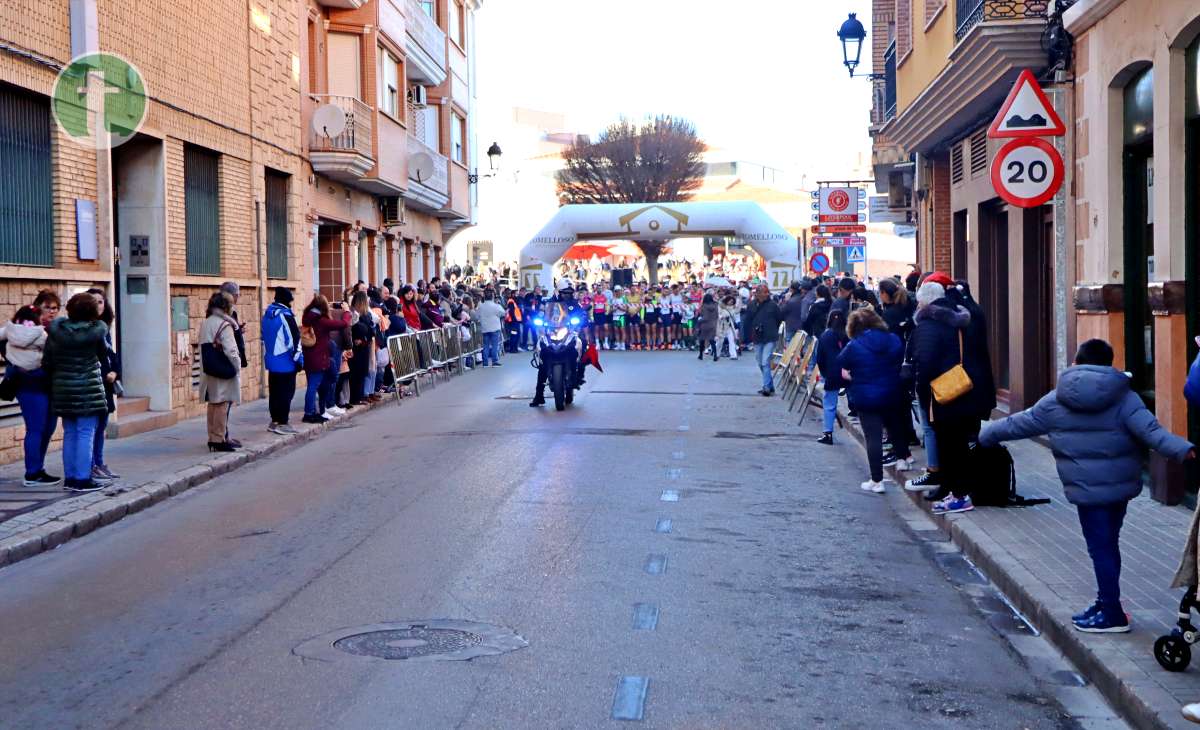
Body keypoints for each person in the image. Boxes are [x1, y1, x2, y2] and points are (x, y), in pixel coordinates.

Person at [981, 339, 1193, 633]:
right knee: (1108, 544)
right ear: (1110, 364)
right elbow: (1152, 432)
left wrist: (985, 436)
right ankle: (1106, 602)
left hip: (1086, 489)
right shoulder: (1125, 397)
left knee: (1101, 548)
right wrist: (1185, 450)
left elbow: (1019, 423)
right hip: (1119, 488)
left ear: (1077, 363)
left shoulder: (1057, 399)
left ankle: (1112, 613)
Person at [909, 279, 995, 514]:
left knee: (950, 445)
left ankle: (959, 495)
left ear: (923, 301)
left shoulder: (929, 324)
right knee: (957, 444)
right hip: (961, 387)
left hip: (940, 392)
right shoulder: (960, 319)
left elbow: (925, 361)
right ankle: (955, 492)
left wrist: (918, 385)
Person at [836, 308, 911, 492]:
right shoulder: (893, 339)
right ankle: (903, 459)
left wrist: (850, 376)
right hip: (892, 391)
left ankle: (877, 480)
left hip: (865, 395)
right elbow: (899, 357)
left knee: (873, 437)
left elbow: (840, 364)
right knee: (895, 427)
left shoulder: (855, 345)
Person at [43, 293, 109, 491]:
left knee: (70, 433)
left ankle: (71, 478)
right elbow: (103, 356)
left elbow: (47, 362)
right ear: (91, 312)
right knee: (86, 433)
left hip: (63, 389)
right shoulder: (96, 333)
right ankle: (82, 479)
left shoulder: (56, 333)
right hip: (88, 390)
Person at [2, 305, 60, 486]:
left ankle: (36, 469)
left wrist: (11, 360)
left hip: (26, 385)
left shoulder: (9, 331)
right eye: (48, 308)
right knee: (39, 429)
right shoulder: (41, 334)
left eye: (55, 308)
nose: (51, 312)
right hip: (38, 384)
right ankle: (33, 473)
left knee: (38, 429)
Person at [198, 292, 241, 453]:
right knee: (222, 403)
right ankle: (219, 438)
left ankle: (212, 437)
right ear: (225, 307)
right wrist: (236, 366)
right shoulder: (224, 324)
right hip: (223, 368)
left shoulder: (207, 322)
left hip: (209, 367)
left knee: (213, 403)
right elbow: (231, 350)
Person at [85, 288, 120, 483]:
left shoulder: (104, 328)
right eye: (94, 301)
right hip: (94, 384)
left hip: (107, 384)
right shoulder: (87, 328)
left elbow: (111, 355)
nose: (98, 305)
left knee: (102, 426)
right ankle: (90, 465)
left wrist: (115, 371)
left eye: (101, 301)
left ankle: (99, 462)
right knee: (93, 428)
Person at [300, 294, 350, 424]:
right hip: (320, 358)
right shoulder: (321, 321)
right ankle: (309, 413)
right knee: (315, 385)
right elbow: (343, 324)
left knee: (319, 383)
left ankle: (320, 410)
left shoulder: (308, 317)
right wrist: (346, 312)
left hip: (310, 357)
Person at [262, 286, 302, 435]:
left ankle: (274, 421)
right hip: (286, 361)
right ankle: (283, 422)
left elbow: (263, 337)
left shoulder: (267, 315)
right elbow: (294, 340)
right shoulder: (286, 316)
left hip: (272, 360)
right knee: (286, 392)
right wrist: (299, 360)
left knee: (275, 392)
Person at [815, 308, 849, 446]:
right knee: (854, 399)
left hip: (832, 373)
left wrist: (825, 373)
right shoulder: (848, 334)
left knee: (829, 403)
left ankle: (827, 433)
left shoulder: (825, 336)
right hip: (849, 371)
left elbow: (820, 358)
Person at [743, 284, 782, 396]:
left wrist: (772, 328)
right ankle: (770, 385)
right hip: (757, 337)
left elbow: (779, 318)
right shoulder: (751, 305)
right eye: (764, 292)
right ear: (758, 293)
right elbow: (748, 320)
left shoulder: (773, 305)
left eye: (767, 292)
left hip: (770, 337)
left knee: (765, 361)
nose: (766, 294)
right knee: (760, 362)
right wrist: (746, 337)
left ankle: (766, 387)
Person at [476, 291, 505, 367]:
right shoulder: (496, 306)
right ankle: (494, 361)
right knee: (495, 345)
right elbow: (503, 313)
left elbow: (476, 316)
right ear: (492, 297)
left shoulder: (481, 306)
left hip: (485, 328)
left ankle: (485, 363)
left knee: (485, 346)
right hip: (495, 328)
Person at [696, 293, 719, 361]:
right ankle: (715, 355)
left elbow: (705, 317)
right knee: (712, 341)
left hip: (705, 325)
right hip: (713, 324)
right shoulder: (715, 305)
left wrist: (699, 321)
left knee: (702, 340)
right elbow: (717, 316)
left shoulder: (704, 306)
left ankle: (700, 355)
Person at [718, 296, 739, 360]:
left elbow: (735, 314)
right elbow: (719, 315)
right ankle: (716, 353)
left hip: (730, 326)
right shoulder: (721, 307)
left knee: (731, 340)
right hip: (722, 326)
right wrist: (723, 315)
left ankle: (733, 355)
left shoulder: (733, 308)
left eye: (732, 301)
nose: (731, 302)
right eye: (730, 301)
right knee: (720, 341)